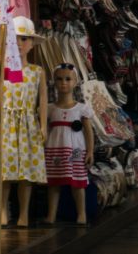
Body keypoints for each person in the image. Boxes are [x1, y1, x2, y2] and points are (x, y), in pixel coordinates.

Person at [0, 16, 47, 228]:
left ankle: (24, 214)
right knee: (4, 171)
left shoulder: (37, 72)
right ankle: (2, 212)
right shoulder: (3, 69)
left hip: (28, 125)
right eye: (16, 38)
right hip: (6, 125)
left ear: (31, 43)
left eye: (25, 38)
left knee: (26, 173)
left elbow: (43, 100)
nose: (20, 43)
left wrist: (44, 125)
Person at [44, 63, 94, 226]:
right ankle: (51, 214)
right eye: (59, 79)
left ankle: (82, 213)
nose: (63, 83)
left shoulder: (82, 109)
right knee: (54, 183)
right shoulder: (49, 108)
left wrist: (90, 151)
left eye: (68, 79)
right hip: (54, 149)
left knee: (77, 183)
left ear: (75, 82)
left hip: (76, 150)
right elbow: (44, 130)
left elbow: (88, 131)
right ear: (54, 81)